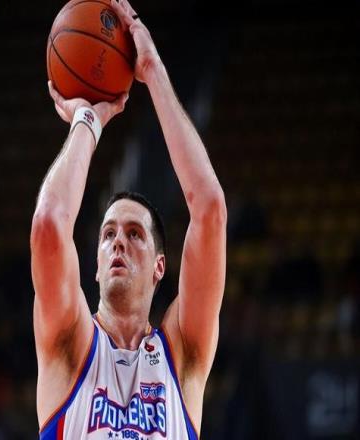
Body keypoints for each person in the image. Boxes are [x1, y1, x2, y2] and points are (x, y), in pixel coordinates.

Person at [30, 0, 227, 438]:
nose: (118, 241)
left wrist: (153, 71)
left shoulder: (183, 355)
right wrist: (87, 120)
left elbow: (210, 209)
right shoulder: (70, 345)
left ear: (160, 266)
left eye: (135, 233)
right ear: (96, 267)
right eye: (108, 234)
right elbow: (49, 225)